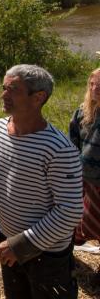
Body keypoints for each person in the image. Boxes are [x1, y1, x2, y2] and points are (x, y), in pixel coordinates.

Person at [0, 65, 83, 299]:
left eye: (13, 90)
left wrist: (22, 245)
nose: (3, 95)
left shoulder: (59, 149)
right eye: (4, 88)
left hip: (45, 252)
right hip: (7, 239)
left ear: (38, 97)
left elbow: (70, 211)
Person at [70, 68, 100, 244]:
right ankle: (65, 260)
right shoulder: (81, 113)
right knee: (77, 223)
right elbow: (72, 145)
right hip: (83, 180)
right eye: (92, 84)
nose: (95, 88)